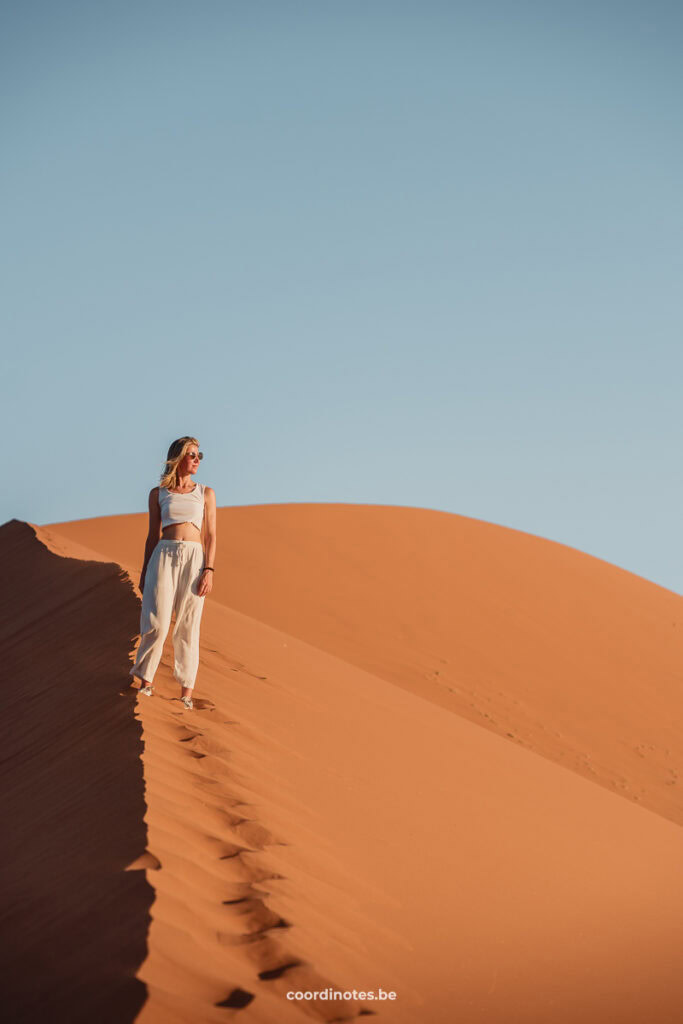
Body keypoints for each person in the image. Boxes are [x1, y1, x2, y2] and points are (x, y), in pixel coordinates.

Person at [129, 436, 217, 710]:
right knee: (157, 621)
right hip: (163, 556)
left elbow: (211, 535)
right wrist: (145, 571)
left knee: (188, 626)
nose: (196, 459)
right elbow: (151, 535)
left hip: (194, 559)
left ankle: (186, 693)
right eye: (191, 455)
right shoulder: (158, 494)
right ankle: (146, 682)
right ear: (178, 458)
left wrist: (209, 569)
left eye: (199, 455)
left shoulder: (205, 493)